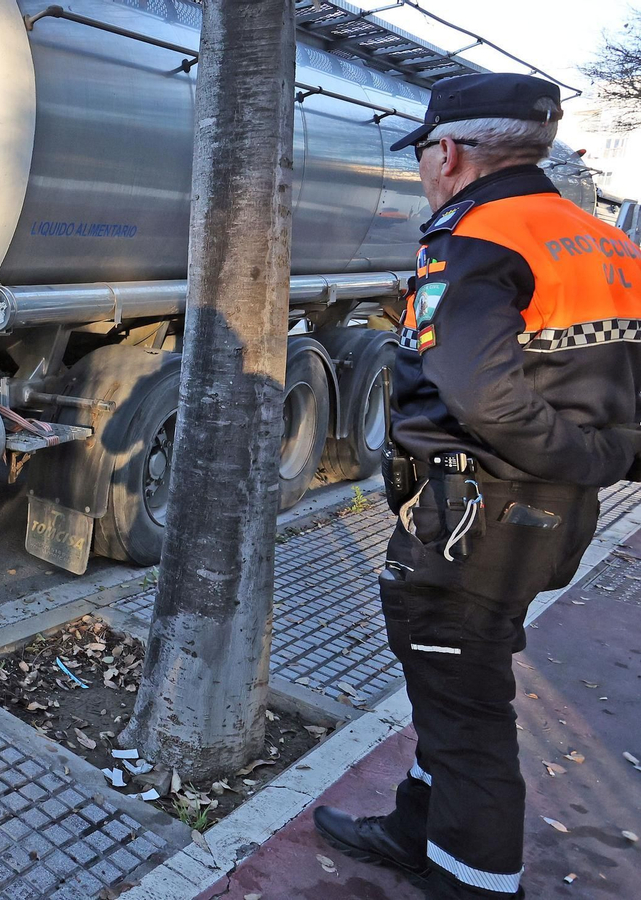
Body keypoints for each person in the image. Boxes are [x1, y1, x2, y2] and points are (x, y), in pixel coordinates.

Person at [313, 73, 641, 898]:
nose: (424, 168)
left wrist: (581, 457)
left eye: (424, 151)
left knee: (467, 711)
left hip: (476, 520)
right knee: (454, 676)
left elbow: (479, 389)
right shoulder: (605, 242)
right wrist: (609, 458)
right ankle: (416, 829)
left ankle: (476, 881)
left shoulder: (477, 238)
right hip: (552, 522)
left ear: (449, 152)